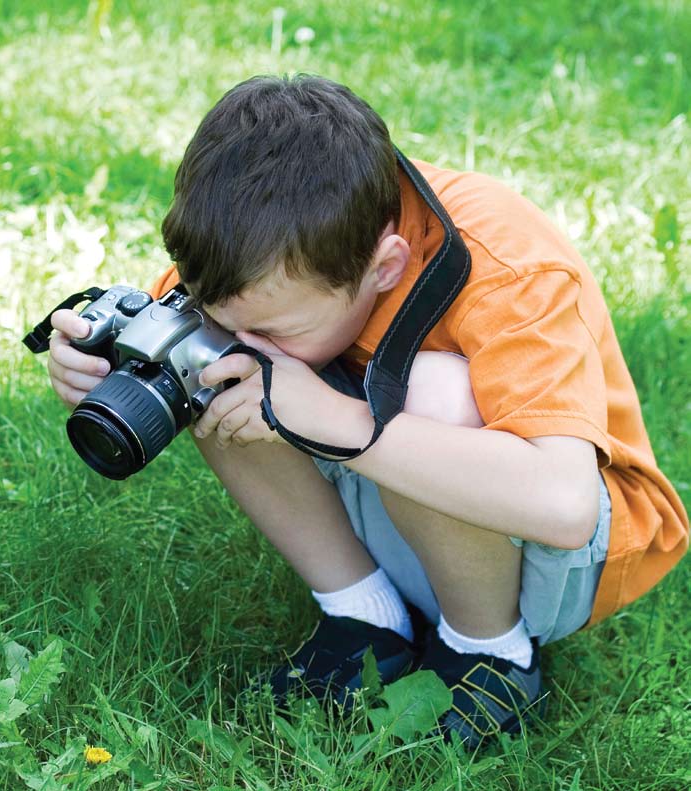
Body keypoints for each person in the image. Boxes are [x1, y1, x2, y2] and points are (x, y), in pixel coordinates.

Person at [46, 74, 688, 748]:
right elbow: (211, 335)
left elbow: (565, 503)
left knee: (429, 390)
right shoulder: (270, 267)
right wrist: (97, 365)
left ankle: (489, 655)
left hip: (548, 557)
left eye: (279, 331)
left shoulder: (504, 262)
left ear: (386, 267)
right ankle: (364, 620)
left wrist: (337, 419)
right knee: (204, 358)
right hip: (411, 512)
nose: (257, 342)